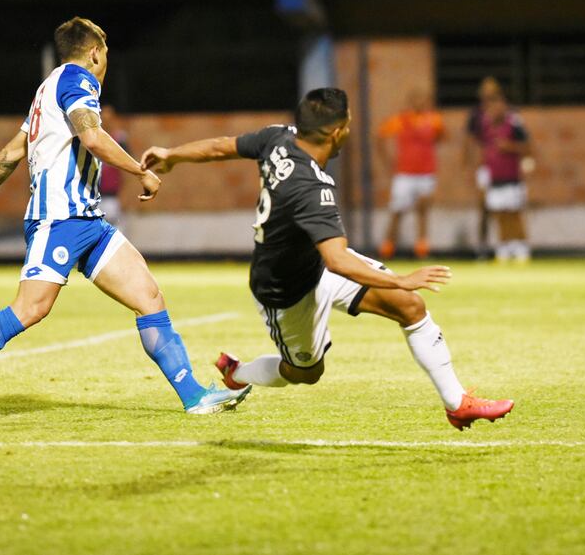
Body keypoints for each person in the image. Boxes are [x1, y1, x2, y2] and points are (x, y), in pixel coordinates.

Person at [0, 17, 250, 421]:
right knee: (29, 310)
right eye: (105, 54)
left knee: (149, 297)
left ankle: (193, 396)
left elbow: (12, 153)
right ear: (95, 53)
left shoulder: (47, 88)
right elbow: (92, 137)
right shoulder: (77, 81)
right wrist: (141, 171)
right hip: (59, 219)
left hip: (89, 221)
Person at [143, 88, 514, 431]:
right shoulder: (311, 188)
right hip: (285, 291)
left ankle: (457, 402)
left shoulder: (279, 136)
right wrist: (401, 278)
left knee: (409, 306)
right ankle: (238, 373)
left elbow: (223, 146)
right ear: (337, 133)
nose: (351, 130)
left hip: (315, 263)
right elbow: (337, 259)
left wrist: (172, 154)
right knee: (304, 373)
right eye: (349, 124)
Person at [376, 88, 445, 260]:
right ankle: (387, 248)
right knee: (397, 210)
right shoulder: (401, 120)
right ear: (411, 101)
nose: (421, 104)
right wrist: (387, 162)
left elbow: (442, 136)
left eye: (424, 100)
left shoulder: (434, 120)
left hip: (426, 173)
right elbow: (380, 137)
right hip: (405, 173)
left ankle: (422, 249)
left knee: (423, 210)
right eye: (417, 100)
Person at [468, 88, 532, 263]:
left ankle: (520, 247)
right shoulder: (485, 125)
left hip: (512, 176)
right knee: (499, 214)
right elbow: (481, 147)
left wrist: (510, 147)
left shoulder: (514, 124)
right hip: (494, 176)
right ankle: (504, 246)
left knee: (514, 213)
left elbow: (528, 147)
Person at [463, 77, 502, 259]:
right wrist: (469, 165)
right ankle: (483, 246)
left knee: (505, 209)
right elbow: (470, 141)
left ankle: (506, 246)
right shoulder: (476, 115)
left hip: (503, 167)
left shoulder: (506, 113)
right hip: (485, 166)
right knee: (484, 206)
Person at [97, 104, 127, 227]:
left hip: (112, 197)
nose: (106, 122)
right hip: (94, 197)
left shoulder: (118, 140)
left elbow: (126, 171)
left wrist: (124, 197)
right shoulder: (92, 140)